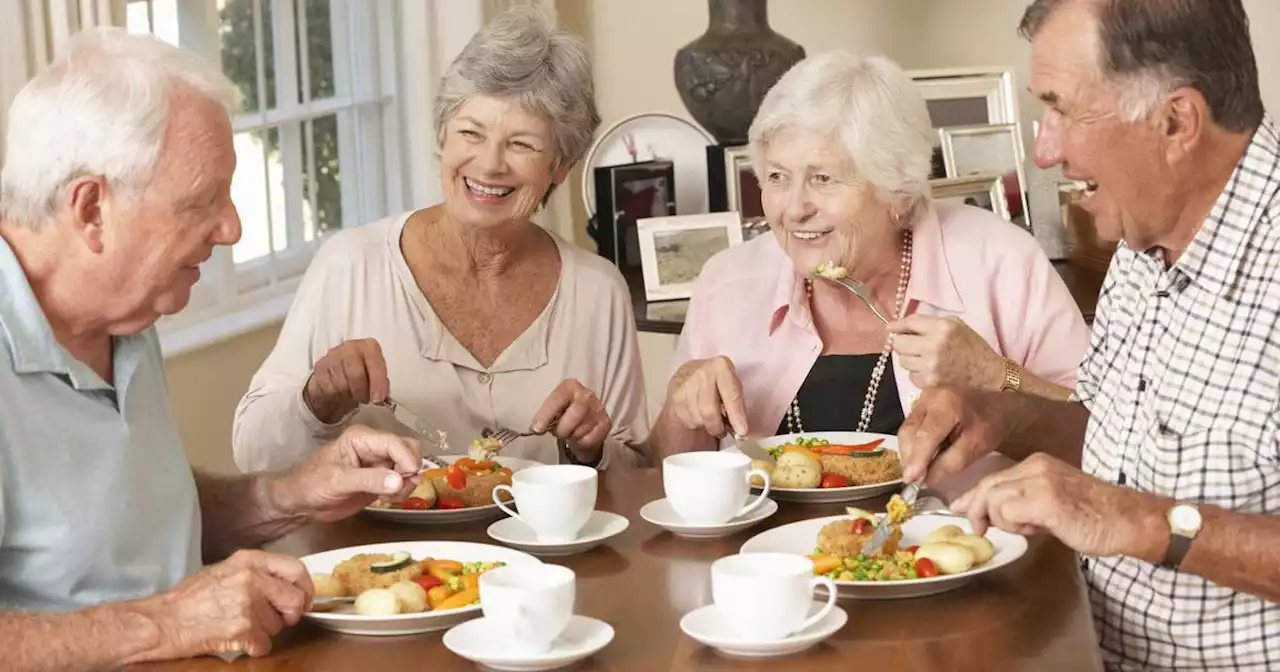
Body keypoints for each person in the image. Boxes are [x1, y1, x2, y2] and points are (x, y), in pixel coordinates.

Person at [0, 29, 426, 668]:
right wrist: (165, 623)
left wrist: (290, 494)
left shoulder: (127, 315)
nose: (232, 229)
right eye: (202, 201)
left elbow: (137, 521)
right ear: (92, 210)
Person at [897, 1, 1280, 668]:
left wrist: (1142, 521)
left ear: (1176, 122)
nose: (1044, 150)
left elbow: (1126, 506)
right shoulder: (1140, 229)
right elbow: (1114, 440)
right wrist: (1002, 416)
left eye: (1062, 109)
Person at [233, 7, 648, 472]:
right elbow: (254, 453)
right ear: (442, 139)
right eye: (471, 133)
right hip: (384, 545)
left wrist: (589, 449)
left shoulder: (597, 291)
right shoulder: (352, 265)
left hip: (543, 546)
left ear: (560, 167)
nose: (490, 164)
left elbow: (634, 478)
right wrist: (318, 400)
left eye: (522, 144)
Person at [649, 50, 1090, 459]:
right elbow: (663, 478)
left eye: (823, 178)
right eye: (778, 177)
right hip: (764, 546)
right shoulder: (729, 283)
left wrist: (996, 376)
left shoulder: (1003, 262)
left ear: (897, 191)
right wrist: (681, 408)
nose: (794, 209)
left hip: (963, 539)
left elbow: (1105, 437)